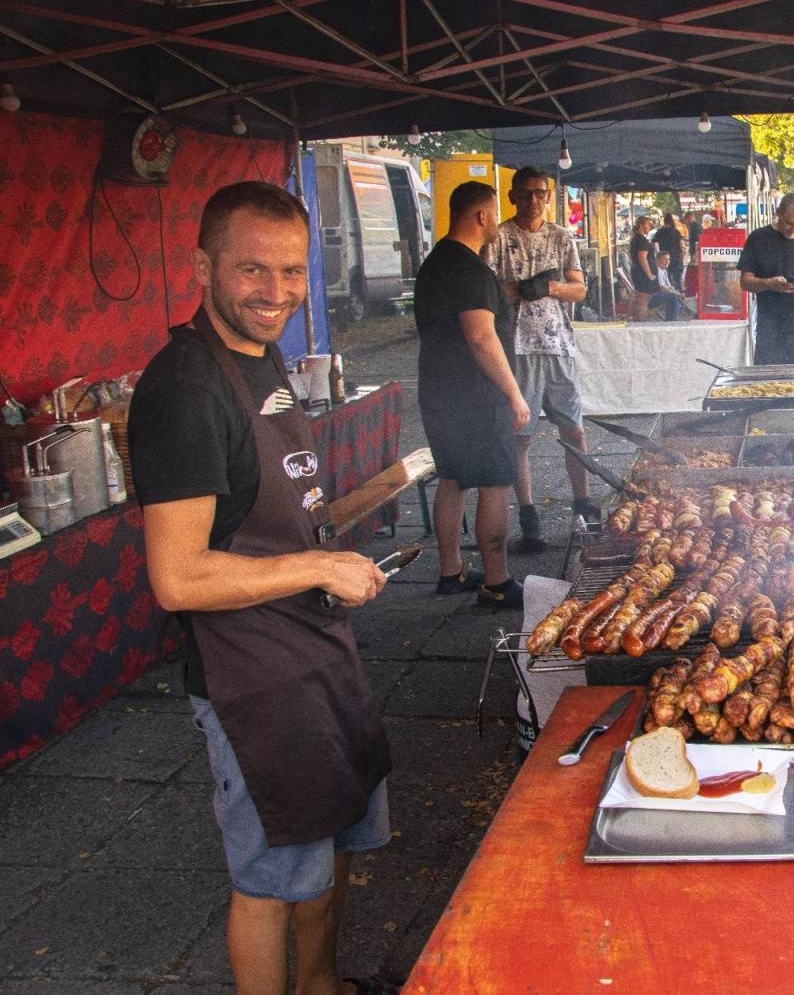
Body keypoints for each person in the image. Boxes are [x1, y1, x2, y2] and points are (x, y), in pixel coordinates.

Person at [129, 181, 395, 995]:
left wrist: (324, 547)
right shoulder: (184, 390)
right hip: (251, 679)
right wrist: (317, 566)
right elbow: (177, 576)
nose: (275, 293)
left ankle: (322, 987)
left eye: (291, 272)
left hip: (314, 651)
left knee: (336, 849)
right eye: (252, 271)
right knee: (274, 877)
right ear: (204, 263)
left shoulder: (261, 354)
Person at [414, 181, 531, 610]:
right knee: (496, 482)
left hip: (439, 392)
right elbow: (482, 338)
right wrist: (515, 394)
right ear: (482, 216)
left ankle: (451, 572)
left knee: (453, 477)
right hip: (478, 399)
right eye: (495, 213)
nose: (497, 222)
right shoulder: (470, 270)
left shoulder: (435, 262)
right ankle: (497, 582)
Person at [483, 166, 597, 554]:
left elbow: (579, 290)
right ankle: (529, 514)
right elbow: (485, 290)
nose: (534, 199)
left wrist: (550, 286)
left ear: (549, 197)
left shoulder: (561, 237)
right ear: (513, 196)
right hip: (517, 347)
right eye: (526, 193)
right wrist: (516, 290)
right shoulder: (498, 237)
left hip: (559, 345)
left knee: (575, 430)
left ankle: (582, 504)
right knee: (521, 437)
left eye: (540, 193)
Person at [737, 192, 794, 364]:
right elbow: (745, 282)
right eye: (789, 223)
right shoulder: (758, 238)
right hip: (770, 329)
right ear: (778, 212)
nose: (793, 230)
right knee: (769, 385)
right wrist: (769, 284)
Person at [653, 211, 687, 290]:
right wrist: (682, 255)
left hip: (664, 258)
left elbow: (653, 243)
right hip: (676, 258)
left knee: (666, 277)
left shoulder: (659, 231)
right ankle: (679, 293)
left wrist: (658, 253)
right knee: (677, 278)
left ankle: (669, 292)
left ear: (664, 221)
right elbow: (681, 245)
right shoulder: (676, 232)